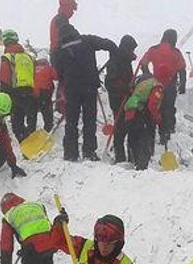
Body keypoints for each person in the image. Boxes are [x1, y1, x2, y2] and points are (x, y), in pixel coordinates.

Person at [51, 24, 117, 161]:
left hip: (71, 89)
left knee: (71, 121)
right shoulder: (87, 40)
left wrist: (67, 78)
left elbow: (57, 73)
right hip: (89, 87)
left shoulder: (59, 50)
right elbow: (110, 44)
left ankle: (70, 154)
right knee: (89, 120)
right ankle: (89, 152)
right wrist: (113, 59)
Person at [139, 28, 187, 145]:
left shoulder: (153, 49)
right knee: (168, 109)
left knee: (154, 107)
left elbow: (143, 63)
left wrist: (148, 76)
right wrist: (182, 85)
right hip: (170, 86)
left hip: (155, 85)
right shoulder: (176, 52)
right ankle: (165, 133)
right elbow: (182, 70)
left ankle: (151, 131)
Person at [104, 35, 138, 163]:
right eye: (131, 49)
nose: (133, 52)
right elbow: (110, 82)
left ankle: (131, 157)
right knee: (120, 129)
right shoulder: (115, 61)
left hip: (127, 99)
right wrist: (125, 88)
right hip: (118, 99)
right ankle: (120, 157)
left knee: (130, 127)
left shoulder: (126, 61)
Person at [0, 30, 37, 142]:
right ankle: (34, 144)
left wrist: (3, 97)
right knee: (31, 123)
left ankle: (27, 146)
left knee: (17, 124)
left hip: (15, 93)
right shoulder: (28, 57)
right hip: (30, 93)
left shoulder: (7, 57)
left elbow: (4, 78)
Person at [122, 73, 164, 170]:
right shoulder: (157, 86)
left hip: (129, 114)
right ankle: (142, 167)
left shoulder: (143, 84)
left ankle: (134, 162)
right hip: (140, 113)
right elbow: (153, 105)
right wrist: (157, 118)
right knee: (144, 140)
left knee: (134, 139)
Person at [33, 58, 57, 133]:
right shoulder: (49, 68)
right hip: (45, 93)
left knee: (32, 115)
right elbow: (56, 77)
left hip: (33, 94)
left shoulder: (33, 69)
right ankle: (48, 129)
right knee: (47, 113)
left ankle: (31, 130)